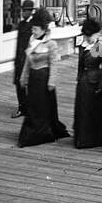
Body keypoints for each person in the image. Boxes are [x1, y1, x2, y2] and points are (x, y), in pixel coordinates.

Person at [18, 9, 70, 147]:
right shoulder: (32, 40)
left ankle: (44, 131)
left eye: (35, 29)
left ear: (43, 30)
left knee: (44, 107)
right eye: (32, 29)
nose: (33, 31)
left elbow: (53, 63)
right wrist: (23, 77)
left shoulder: (50, 44)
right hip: (33, 80)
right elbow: (28, 62)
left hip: (44, 79)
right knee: (33, 107)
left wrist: (52, 81)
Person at [74, 16, 102, 149]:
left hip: (95, 82)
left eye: (90, 36)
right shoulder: (83, 46)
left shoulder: (99, 47)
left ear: (97, 34)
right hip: (84, 83)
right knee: (84, 110)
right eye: (86, 35)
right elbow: (80, 65)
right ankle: (82, 137)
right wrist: (79, 78)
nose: (87, 38)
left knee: (94, 111)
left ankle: (94, 138)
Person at [10, 0, 35, 118]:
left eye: (25, 11)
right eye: (22, 10)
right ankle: (22, 107)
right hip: (19, 58)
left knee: (28, 84)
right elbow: (19, 43)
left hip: (28, 58)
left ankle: (30, 107)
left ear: (30, 12)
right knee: (18, 83)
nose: (23, 13)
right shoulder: (21, 24)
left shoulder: (33, 26)